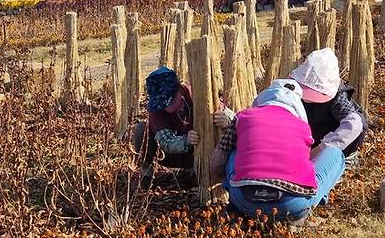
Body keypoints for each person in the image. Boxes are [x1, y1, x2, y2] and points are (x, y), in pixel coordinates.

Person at [210, 79, 345, 224]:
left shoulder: (242, 118)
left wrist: (224, 181)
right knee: (336, 155)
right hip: (292, 205)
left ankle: (238, 210)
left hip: (243, 198)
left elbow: (216, 164)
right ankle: (303, 211)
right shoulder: (303, 127)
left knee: (233, 148)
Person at [133, 66, 230, 189]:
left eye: (170, 102)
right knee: (141, 129)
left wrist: (227, 120)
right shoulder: (156, 109)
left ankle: (197, 171)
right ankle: (146, 176)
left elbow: (235, 117)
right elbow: (165, 141)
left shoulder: (197, 94)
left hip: (202, 153)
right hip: (170, 154)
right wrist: (186, 141)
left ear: (179, 91)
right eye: (163, 105)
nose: (166, 108)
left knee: (199, 177)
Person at [289, 48, 367, 160]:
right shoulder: (294, 91)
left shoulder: (337, 98)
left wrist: (322, 148)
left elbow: (354, 124)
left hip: (335, 147)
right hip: (309, 139)